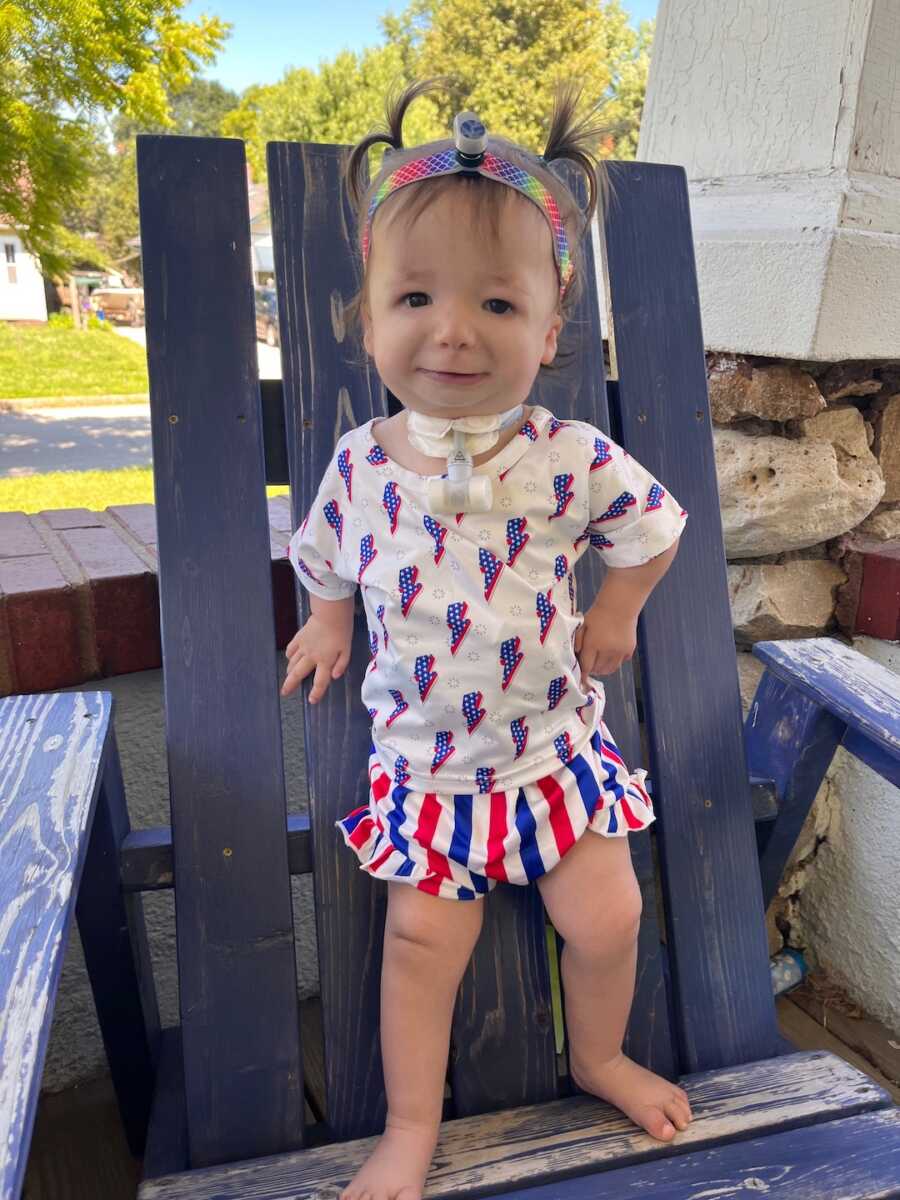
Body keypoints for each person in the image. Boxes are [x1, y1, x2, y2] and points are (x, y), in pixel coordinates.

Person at [283, 77, 693, 1200]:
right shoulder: (361, 466)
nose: (453, 330)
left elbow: (657, 531)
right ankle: (412, 1126)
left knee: (609, 919)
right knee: (421, 949)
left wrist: (618, 609)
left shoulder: (569, 456)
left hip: (555, 757)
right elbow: (319, 555)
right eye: (415, 298)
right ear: (367, 320)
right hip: (426, 777)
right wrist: (325, 620)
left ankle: (598, 1055)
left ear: (551, 330)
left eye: (499, 307)